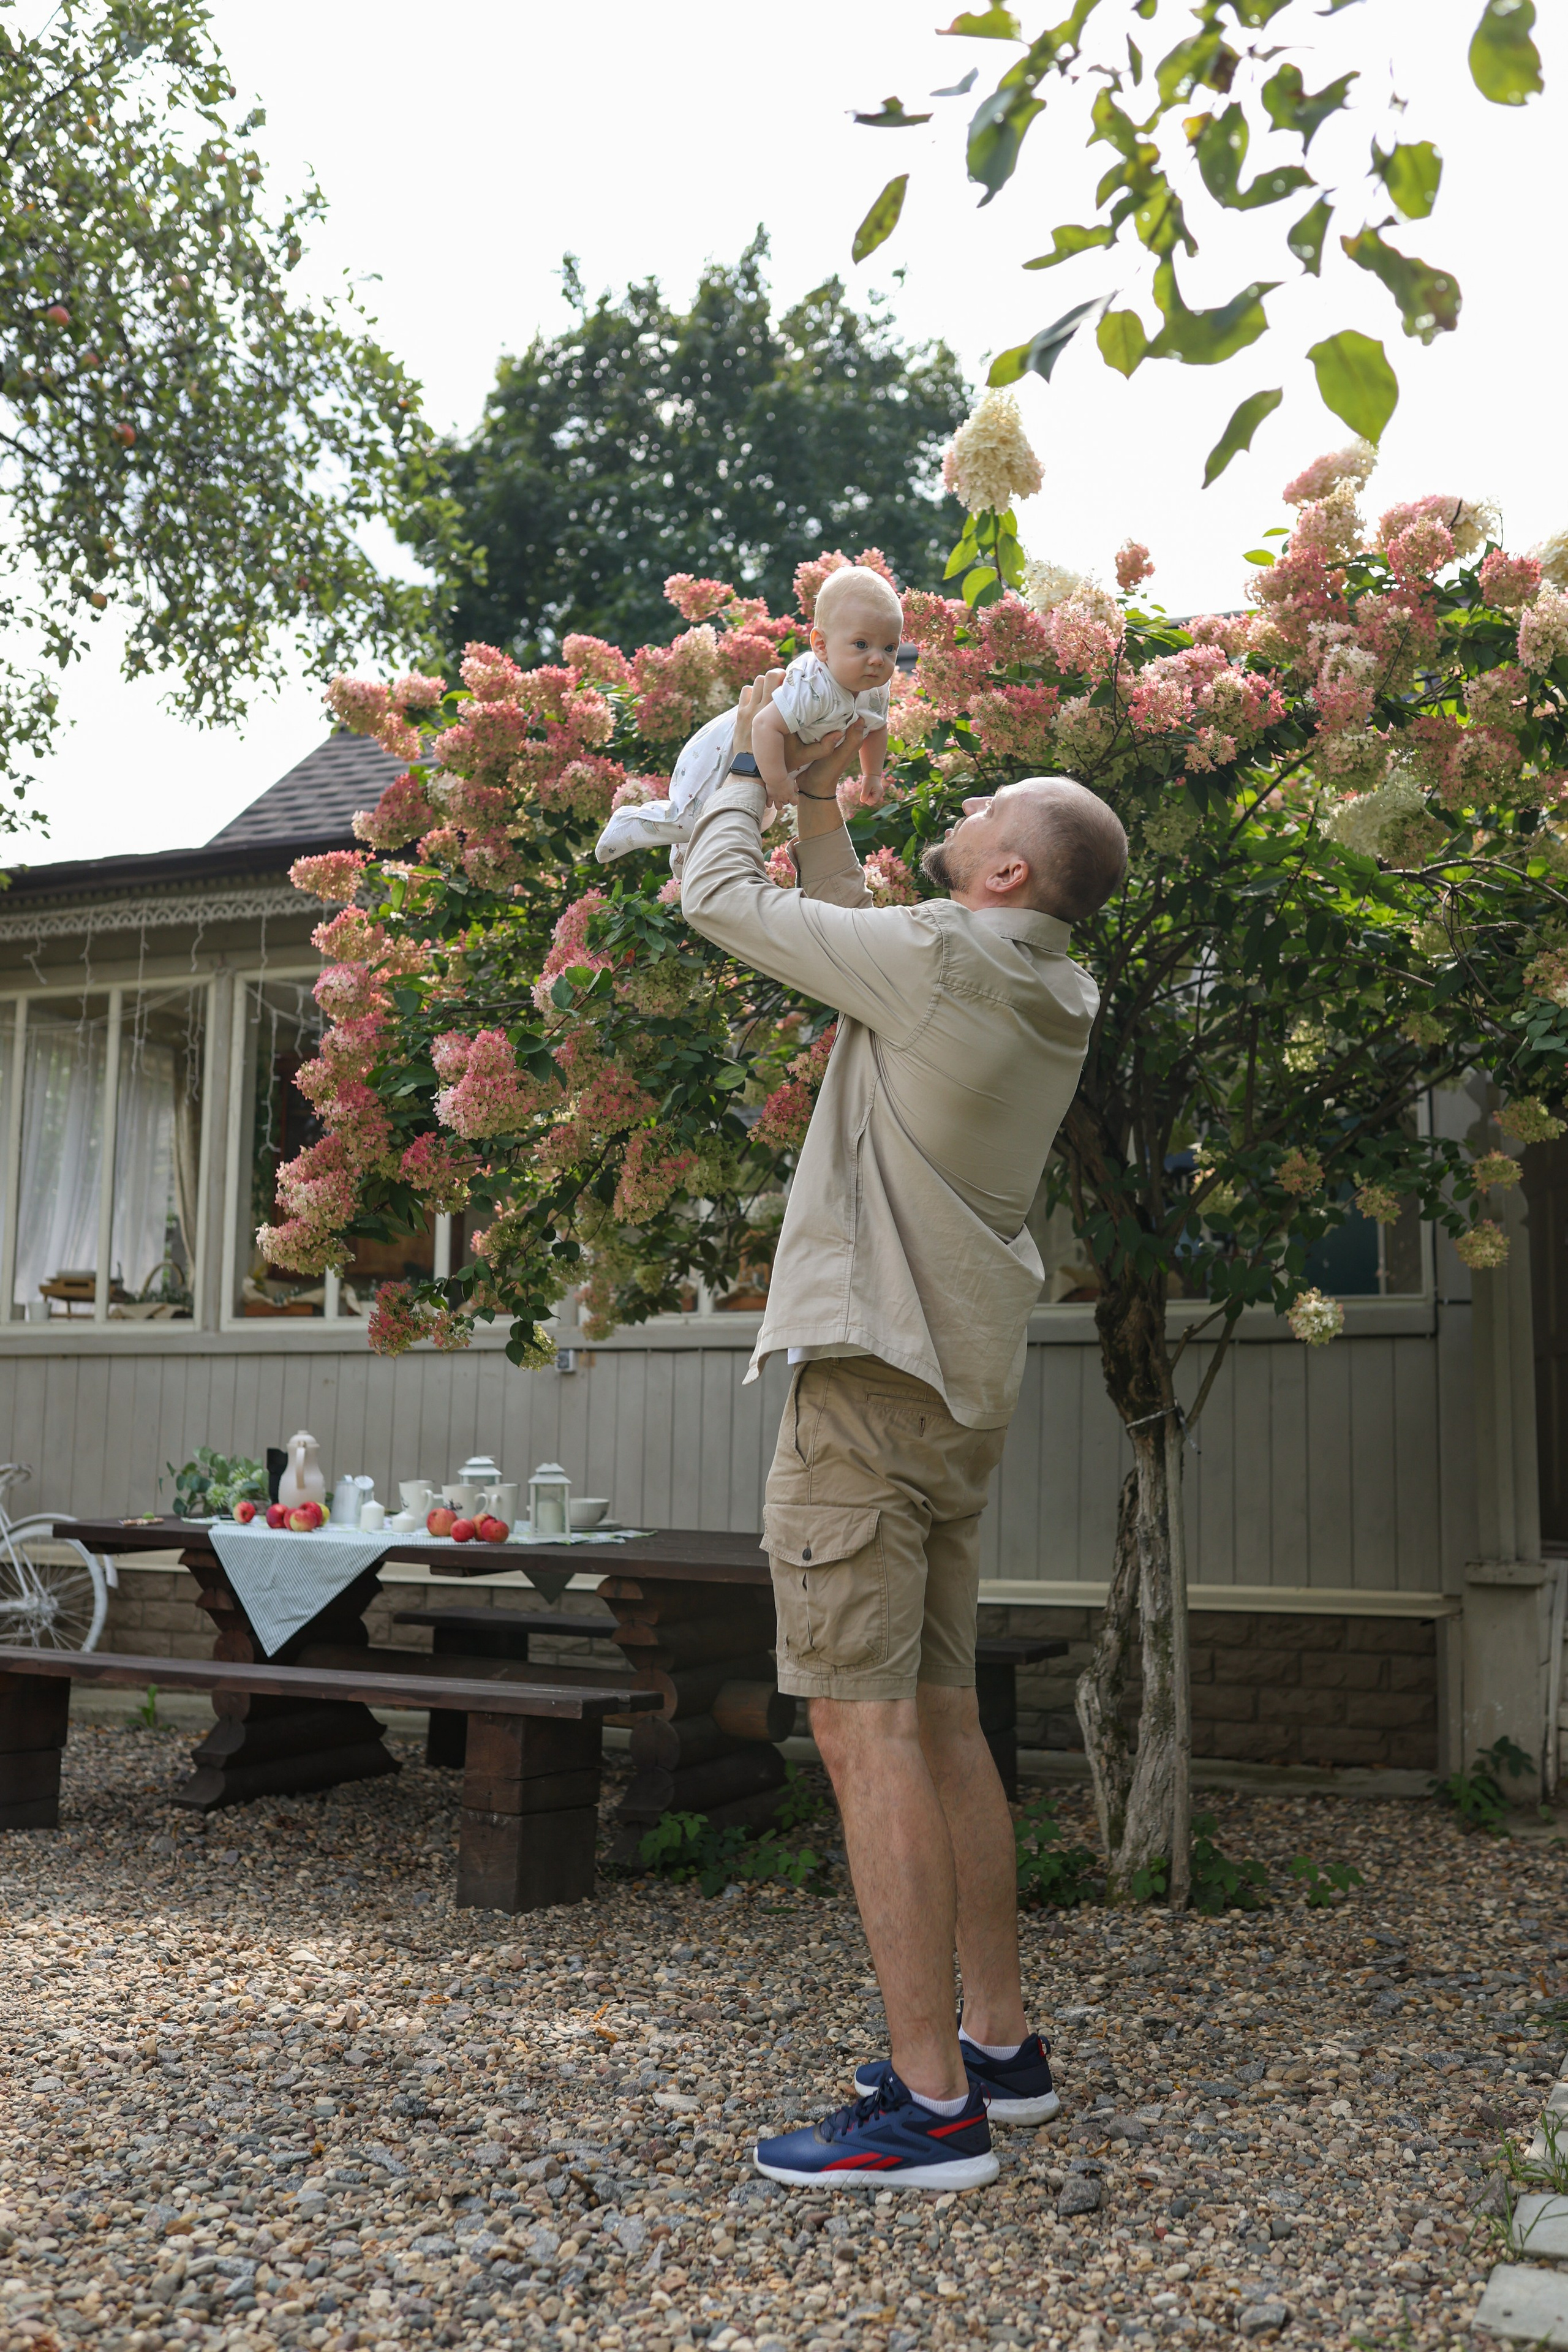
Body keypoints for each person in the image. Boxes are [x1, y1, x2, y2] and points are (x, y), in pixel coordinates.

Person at [680, 672, 1128, 2193]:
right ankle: (996, 2044)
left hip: (868, 1396)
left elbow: (717, 898)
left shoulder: (941, 966)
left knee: (859, 1728)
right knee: (937, 1718)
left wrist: (749, 764)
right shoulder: (1041, 983)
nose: (966, 806)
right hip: (948, 1396)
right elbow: (848, 947)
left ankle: (928, 2109)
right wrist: (822, 801)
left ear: (1004, 870)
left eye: (988, 812)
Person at [593, 564, 899, 867]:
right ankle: (630, 821)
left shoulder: (874, 689)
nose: (877, 660)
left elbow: (876, 729)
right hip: (727, 752)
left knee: (750, 822)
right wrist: (777, 781)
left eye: (889, 647)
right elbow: (764, 725)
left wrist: (872, 774)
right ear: (821, 646)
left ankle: (684, 869)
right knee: (695, 817)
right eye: (861, 644)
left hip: (775, 761)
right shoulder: (813, 685)